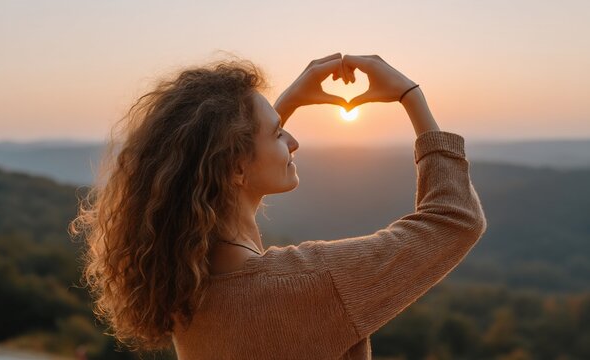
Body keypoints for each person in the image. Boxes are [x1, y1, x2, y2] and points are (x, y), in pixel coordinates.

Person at [69, 53, 487, 359]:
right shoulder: (311, 285)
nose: (293, 141)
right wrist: (410, 96)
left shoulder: (184, 281)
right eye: (278, 134)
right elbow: (455, 219)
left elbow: (231, 186)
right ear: (234, 166)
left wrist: (283, 105)